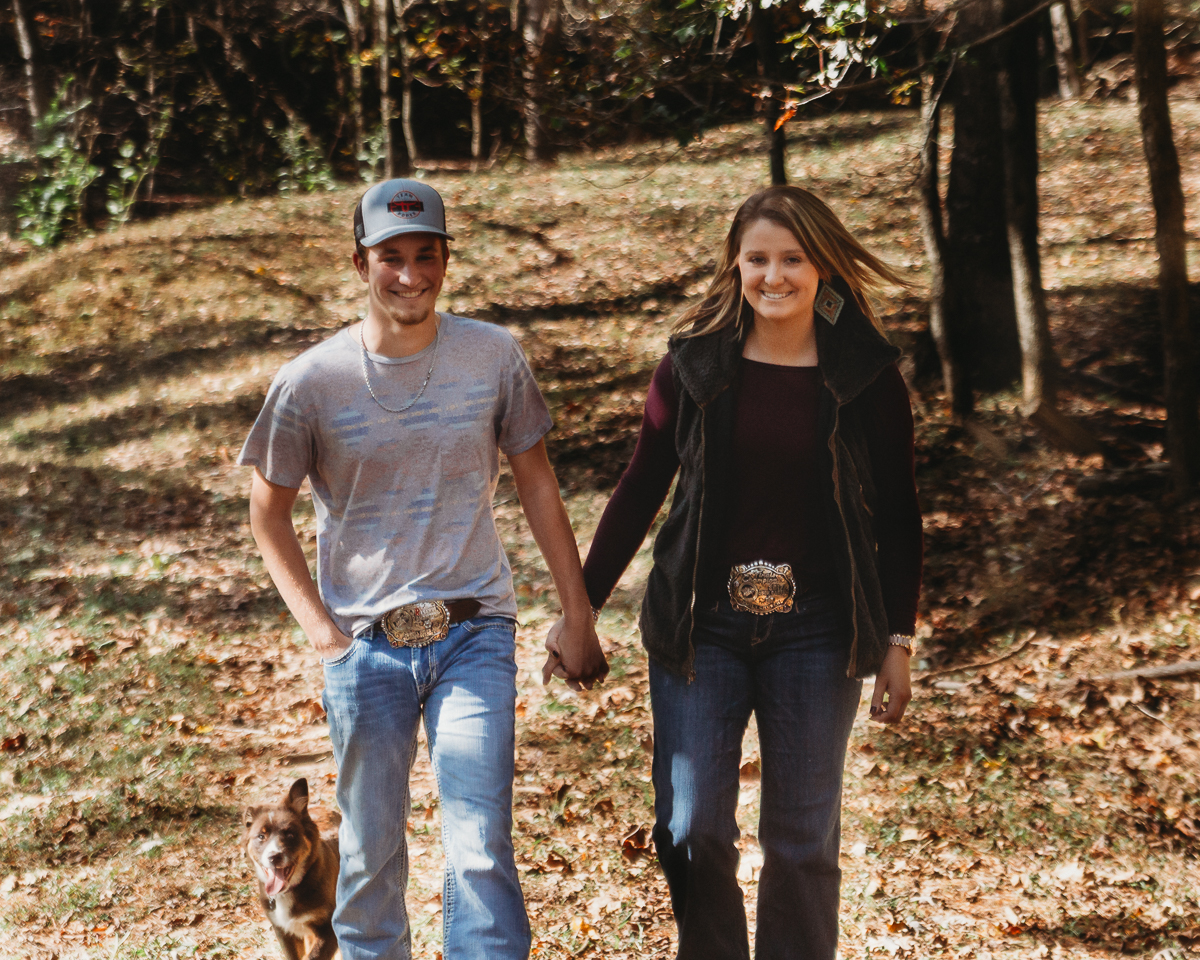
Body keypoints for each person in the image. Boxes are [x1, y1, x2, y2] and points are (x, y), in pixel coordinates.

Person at [239, 178, 608, 960]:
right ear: (360, 262)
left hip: (474, 630)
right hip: (364, 648)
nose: (410, 275)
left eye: (426, 256)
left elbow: (537, 481)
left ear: (446, 258)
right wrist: (326, 637)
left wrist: (577, 615)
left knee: (479, 844)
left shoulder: (492, 356)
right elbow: (266, 513)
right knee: (370, 858)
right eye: (391, 258)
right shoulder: (310, 381)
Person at [551, 185, 923, 960]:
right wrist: (578, 609)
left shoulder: (865, 376)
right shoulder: (692, 367)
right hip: (702, 628)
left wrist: (897, 637)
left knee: (801, 839)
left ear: (823, 266)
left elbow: (898, 512)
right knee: (691, 827)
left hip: (818, 629)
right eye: (758, 259)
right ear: (736, 265)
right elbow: (638, 489)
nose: (775, 276)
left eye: (793, 259)